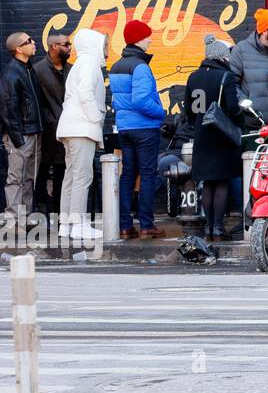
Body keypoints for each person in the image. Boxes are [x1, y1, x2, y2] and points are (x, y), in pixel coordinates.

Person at [108, 20, 166, 239]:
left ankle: (124, 225)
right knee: (148, 175)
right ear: (139, 39)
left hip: (125, 128)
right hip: (145, 128)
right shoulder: (140, 66)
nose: (150, 39)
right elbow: (142, 99)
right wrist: (160, 113)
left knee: (128, 175)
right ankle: (146, 225)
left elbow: (117, 99)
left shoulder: (116, 66)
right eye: (148, 36)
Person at [183, 36, 244, 242]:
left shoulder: (193, 77)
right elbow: (234, 109)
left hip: (202, 134)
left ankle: (208, 229)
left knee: (208, 182)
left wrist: (197, 123)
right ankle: (218, 228)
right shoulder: (225, 77)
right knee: (222, 181)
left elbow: (189, 109)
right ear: (222, 57)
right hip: (221, 134)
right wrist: (240, 120)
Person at [55, 29, 106, 240]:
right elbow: (86, 93)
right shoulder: (89, 63)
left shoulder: (79, 64)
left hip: (70, 128)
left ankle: (66, 225)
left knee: (71, 176)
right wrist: (95, 119)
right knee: (83, 177)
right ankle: (78, 225)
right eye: (102, 44)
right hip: (81, 129)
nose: (105, 48)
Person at [1, 31, 44, 227]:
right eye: (29, 41)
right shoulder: (11, 73)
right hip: (21, 135)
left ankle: (24, 218)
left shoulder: (28, 69)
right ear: (18, 48)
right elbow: (7, 108)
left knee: (28, 179)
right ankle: (13, 221)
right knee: (16, 178)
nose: (34, 43)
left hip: (33, 133)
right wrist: (18, 139)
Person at [31, 33, 70, 222]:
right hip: (48, 131)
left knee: (63, 171)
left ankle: (60, 213)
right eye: (66, 44)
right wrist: (49, 120)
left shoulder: (71, 69)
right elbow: (35, 102)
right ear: (53, 46)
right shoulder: (38, 70)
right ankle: (42, 212)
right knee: (43, 171)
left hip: (68, 129)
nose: (69, 48)